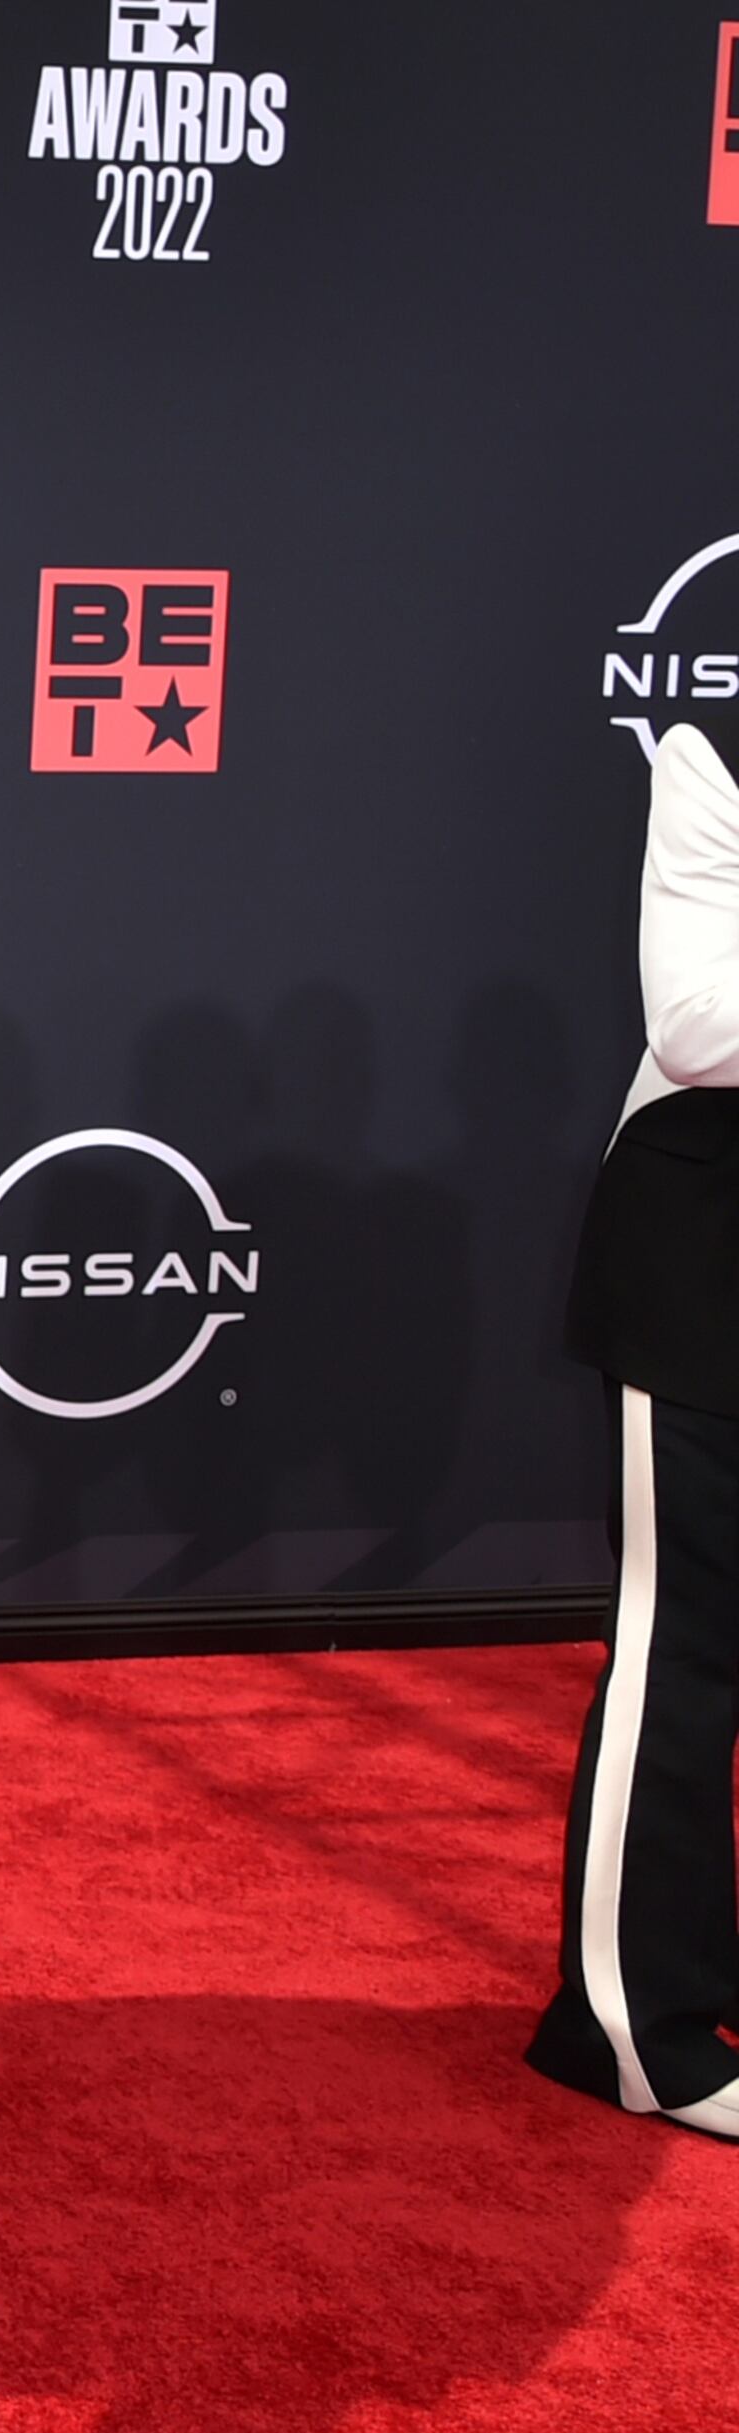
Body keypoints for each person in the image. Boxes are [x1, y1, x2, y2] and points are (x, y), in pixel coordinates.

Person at [535, 720, 739, 2139]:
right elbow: (698, 1019)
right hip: (707, 1253)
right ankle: (632, 2031)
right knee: (685, 1652)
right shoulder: (709, 756)